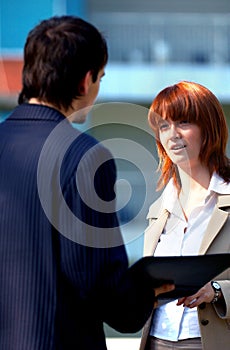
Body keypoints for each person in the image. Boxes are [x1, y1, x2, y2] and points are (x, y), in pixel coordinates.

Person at [0, 16, 173, 350]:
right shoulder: (84, 156)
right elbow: (95, 278)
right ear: (85, 81)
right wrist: (141, 296)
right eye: (100, 77)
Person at [140, 81, 230, 350]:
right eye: (164, 126)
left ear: (209, 128)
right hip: (157, 339)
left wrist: (215, 291)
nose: (172, 135)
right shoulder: (159, 209)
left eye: (184, 122)